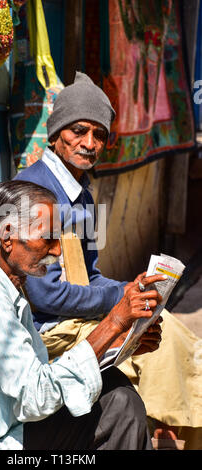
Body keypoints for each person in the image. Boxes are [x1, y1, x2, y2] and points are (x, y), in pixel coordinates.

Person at [14, 72, 202, 449]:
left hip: (76, 319)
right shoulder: (31, 192)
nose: (89, 143)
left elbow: (92, 275)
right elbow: (44, 295)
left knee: (178, 337)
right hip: (46, 332)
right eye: (79, 131)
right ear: (55, 134)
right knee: (158, 354)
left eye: (99, 135)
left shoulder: (84, 194)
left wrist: (135, 290)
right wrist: (120, 301)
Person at [0, 180, 164, 450]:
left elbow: (34, 376)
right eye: (48, 238)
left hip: (5, 428)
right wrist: (113, 323)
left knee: (113, 386)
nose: (57, 251)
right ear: (8, 236)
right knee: (119, 406)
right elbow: (36, 397)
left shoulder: (4, 289)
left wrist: (119, 345)